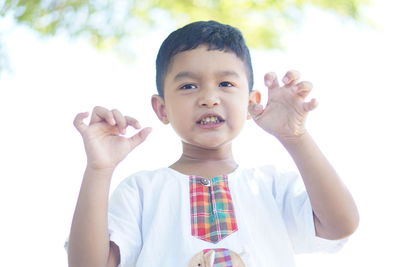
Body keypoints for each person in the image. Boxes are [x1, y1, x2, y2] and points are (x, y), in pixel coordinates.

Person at [67, 21, 359, 267]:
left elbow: (341, 224)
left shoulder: (270, 186)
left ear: (250, 102)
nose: (209, 97)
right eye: (188, 86)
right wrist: (99, 169)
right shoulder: (142, 191)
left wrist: (295, 138)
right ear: (162, 109)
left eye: (226, 84)